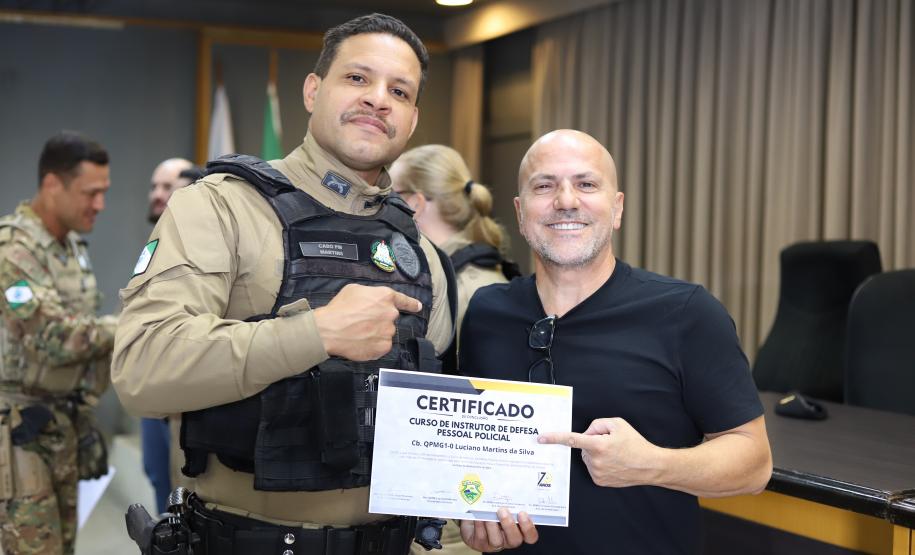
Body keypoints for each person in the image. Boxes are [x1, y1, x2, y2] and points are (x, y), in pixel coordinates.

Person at [112, 13, 457, 555]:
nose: (377, 99)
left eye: (399, 90)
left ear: (412, 120)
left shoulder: (421, 255)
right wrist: (313, 334)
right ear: (313, 90)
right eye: (358, 79)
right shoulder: (222, 207)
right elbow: (141, 368)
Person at [458, 129, 773, 554]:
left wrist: (652, 464)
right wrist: (474, 512)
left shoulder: (686, 313)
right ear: (519, 211)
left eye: (586, 184)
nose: (566, 200)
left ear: (617, 207)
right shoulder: (486, 313)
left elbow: (754, 464)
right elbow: (470, 448)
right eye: (544, 186)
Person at [0, 130, 116, 555]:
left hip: (63, 425)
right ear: (52, 184)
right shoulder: (14, 249)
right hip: (20, 435)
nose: (100, 205)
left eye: (104, 192)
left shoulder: (69, 247)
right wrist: (128, 328)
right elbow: (51, 336)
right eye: (91, 193)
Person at [390, 144, 519, 335]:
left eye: (392, 195)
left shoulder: (467, 290)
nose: (385, 205)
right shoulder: (444, 274)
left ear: (416, 204)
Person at [141, 156, 203, 514]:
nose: (157, 194)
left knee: (183, 501)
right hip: (153, 396)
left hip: (185, 404)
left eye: (167, 186)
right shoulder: (156, 244)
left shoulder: (203, 248)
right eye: (154, 187)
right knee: (158, 487)